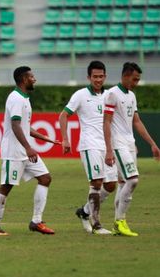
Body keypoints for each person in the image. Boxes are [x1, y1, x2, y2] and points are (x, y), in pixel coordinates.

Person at [0, 66, 60, 236]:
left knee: (45, 178)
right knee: (6, 186)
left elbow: (25, 127)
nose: (34, 79)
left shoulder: (25, 98)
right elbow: (15, 125)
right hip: (14, 151)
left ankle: (36, 221)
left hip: (25, 150)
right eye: (31, 76)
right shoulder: (16, 98)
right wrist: (29, 148)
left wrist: (47, 138)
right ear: (23, 79)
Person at [59, 61, 117, 234]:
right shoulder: (81, 95)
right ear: (89, 77)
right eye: (95, 76)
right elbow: (63, 116)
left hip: (106, 145)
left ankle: (84, 212)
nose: (98, 80)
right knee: (97, 182)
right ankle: (96, 224)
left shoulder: (110, 95)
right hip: (89, 144)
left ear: (105, 76)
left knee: (111, 185)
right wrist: (65, 139)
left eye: (101, 76)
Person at [104, 62, 160, 237]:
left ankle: (117, 224)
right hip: (118, 144)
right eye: (135, 79)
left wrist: (152, 143)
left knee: (123, 183)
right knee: (133, 180)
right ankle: (120, 220)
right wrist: (108, 149)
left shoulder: (131, 96)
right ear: (126, 75)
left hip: (129, 144)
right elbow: (106, 122)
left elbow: (136, 121)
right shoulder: (112, 94)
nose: (136, 83)